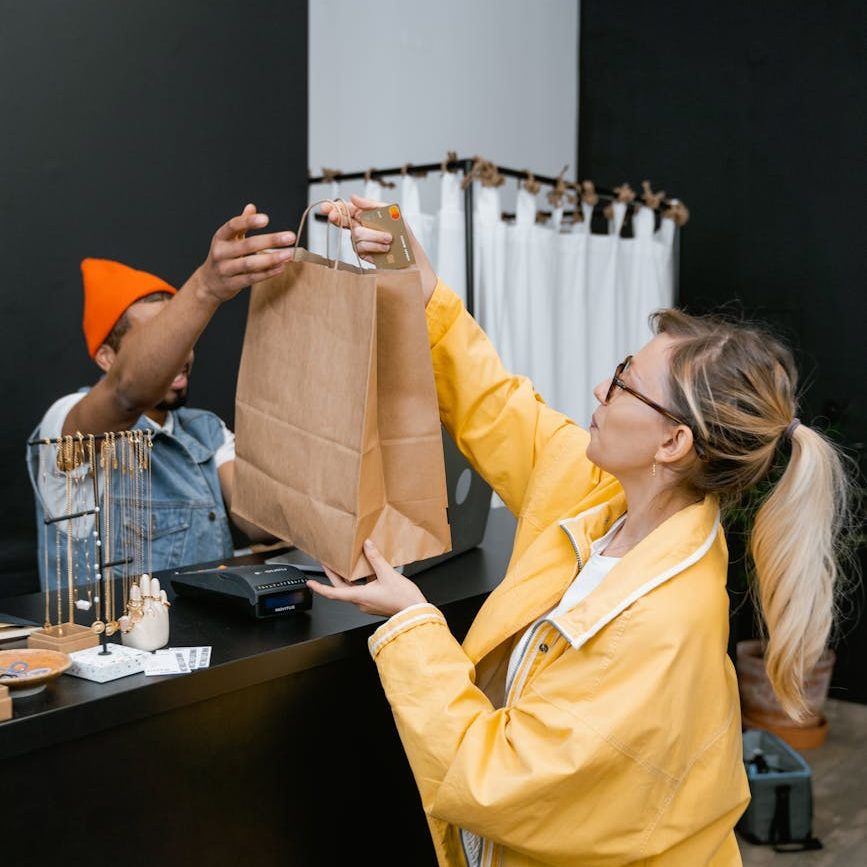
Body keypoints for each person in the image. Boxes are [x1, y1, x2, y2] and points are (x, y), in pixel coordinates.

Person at [307, 195, 858, 866]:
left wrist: (414, 623)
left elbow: (497, 779)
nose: (600, 386)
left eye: (625, 382)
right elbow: (497, 405)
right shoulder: (600, 497)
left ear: (671, 441)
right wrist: (412, 274)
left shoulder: (657, 624)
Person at [27, 204, 296, 590]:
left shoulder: (207, 430)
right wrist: (205, 287)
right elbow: (126, 396)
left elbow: (258, 523)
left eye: (182, 337)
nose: (180, 353)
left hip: (209, 645)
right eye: (159, 339)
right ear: (107, 357)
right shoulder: (65, 422)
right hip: (112, 647)